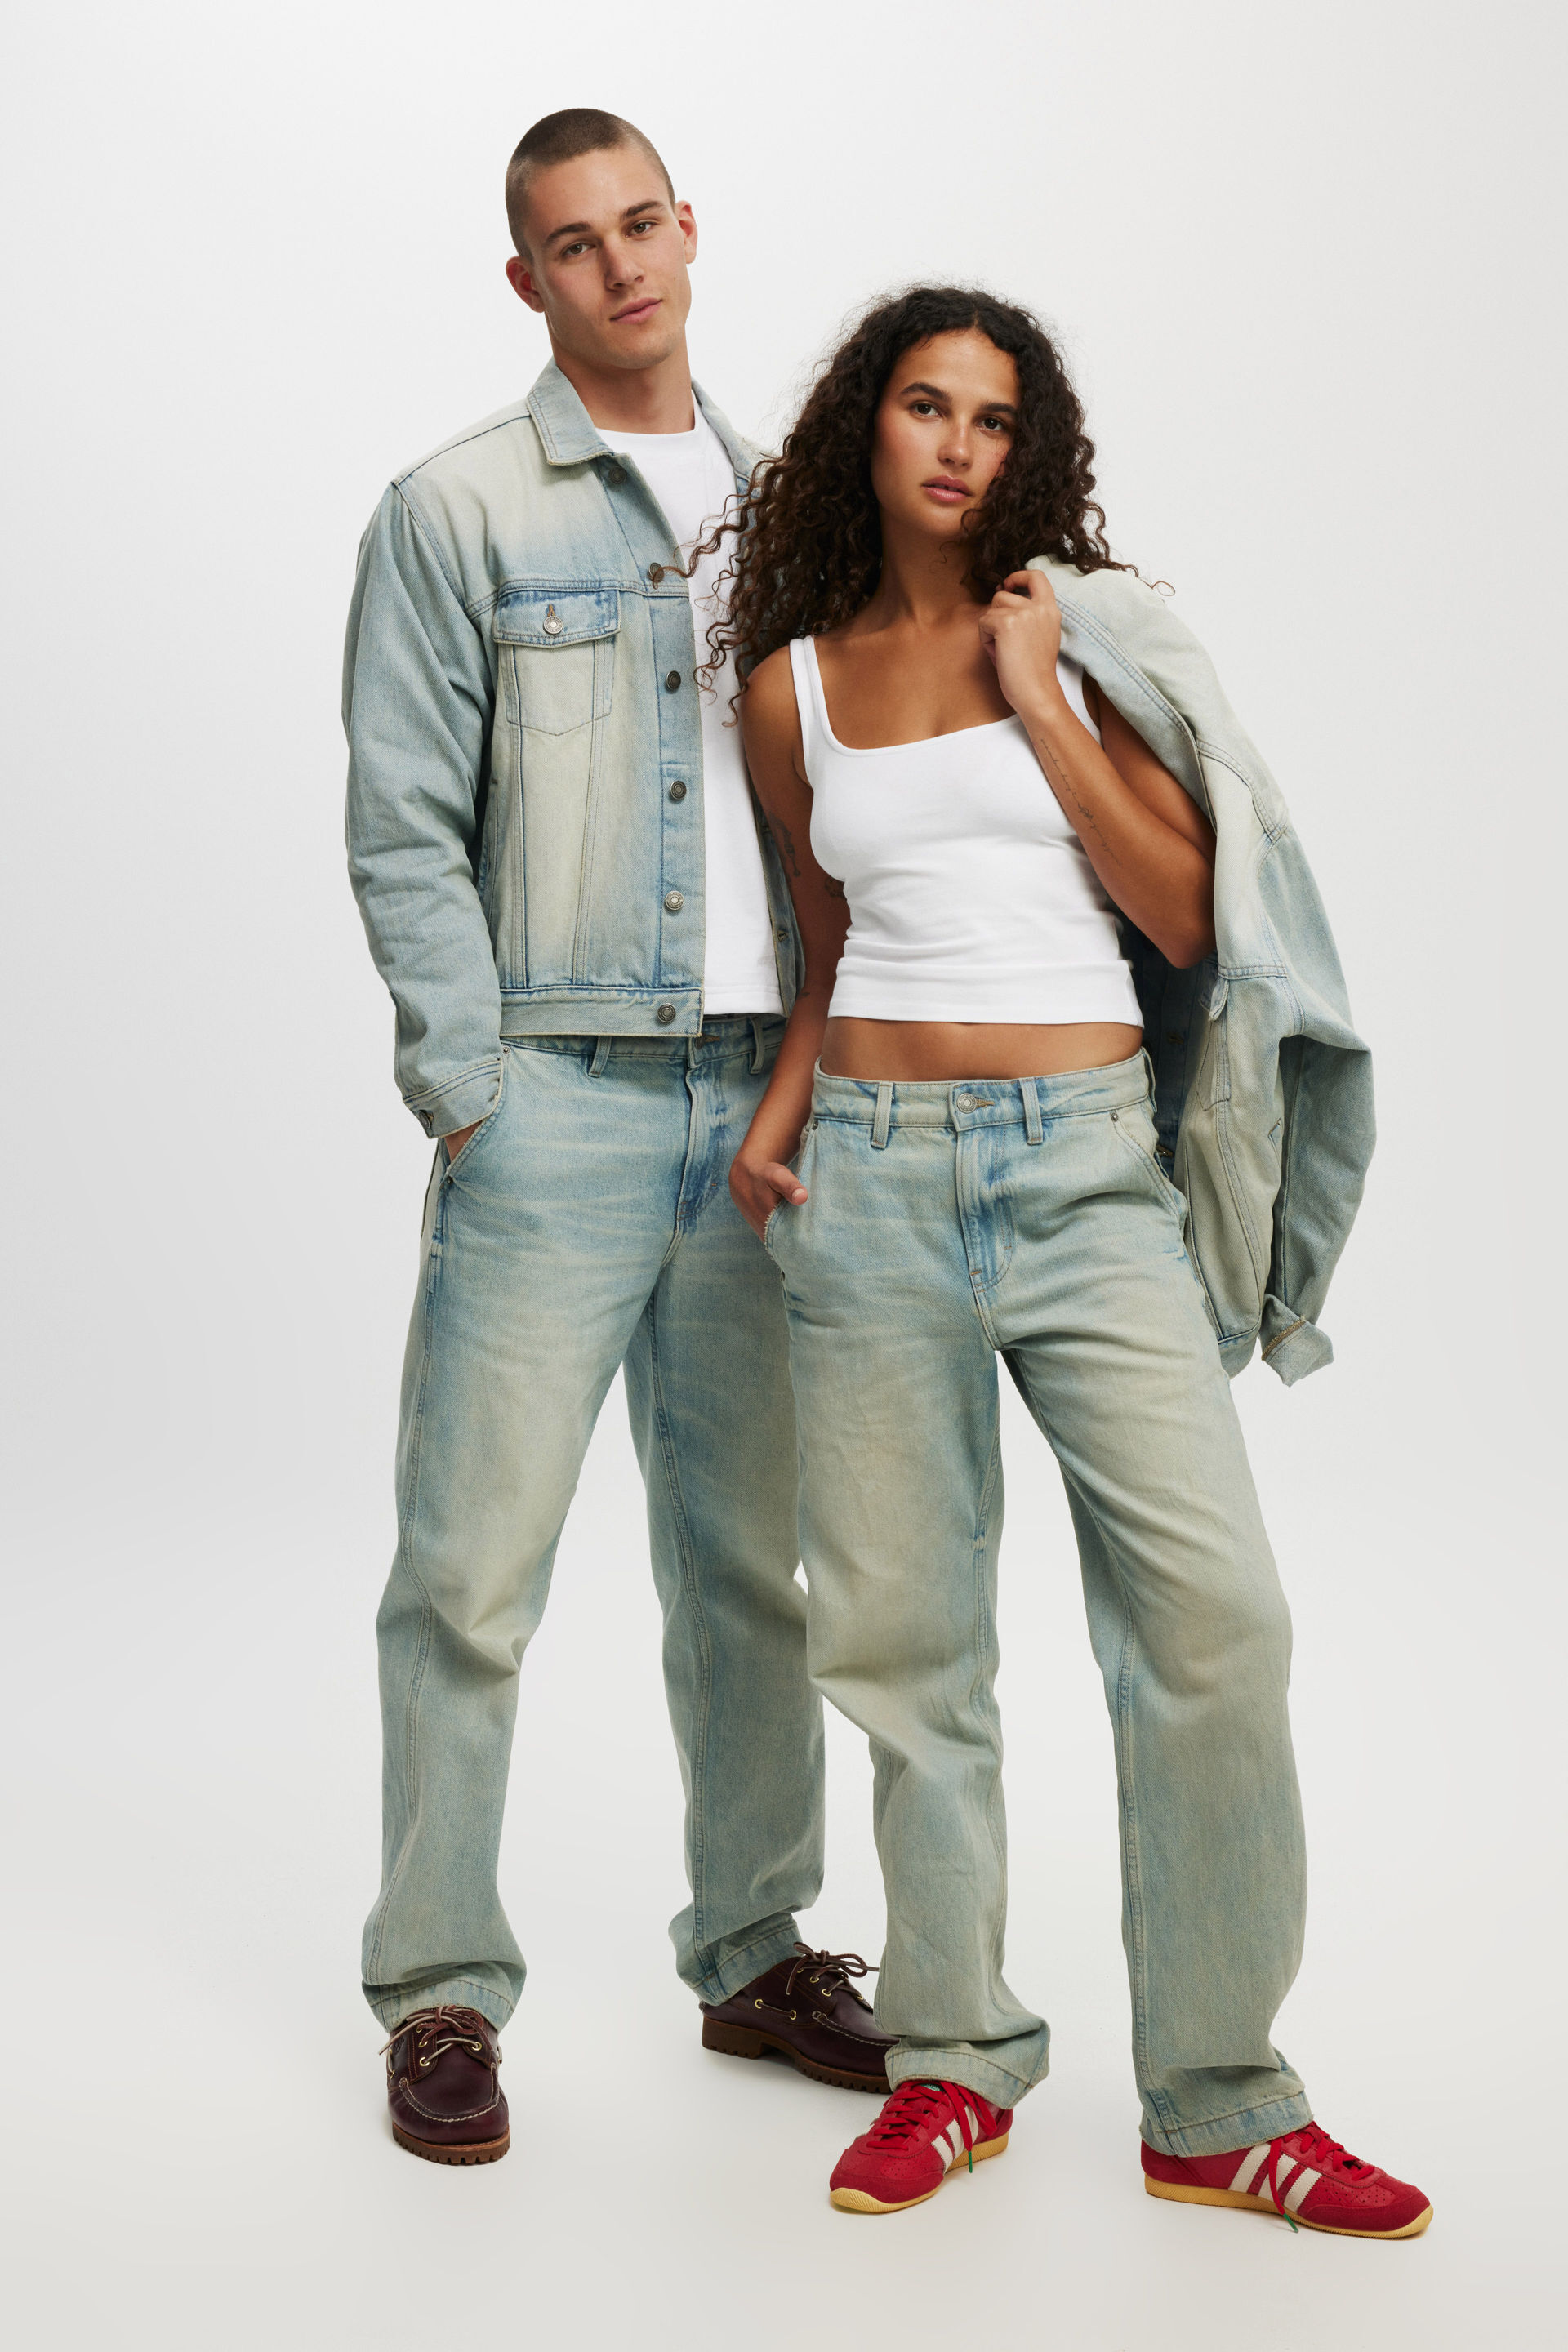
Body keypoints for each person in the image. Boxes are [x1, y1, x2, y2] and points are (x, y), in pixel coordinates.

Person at [716, 285, 1431, 2237]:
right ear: (866, 430)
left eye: (994, 418)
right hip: (868, 1181)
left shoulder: (1083, 639)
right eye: (925, 406)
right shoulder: (790, 689)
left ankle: (1218, 2100)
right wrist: (784, 1113)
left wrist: (1038, 699)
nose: (958, 444)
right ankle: (952, 2058)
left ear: (1029, 454)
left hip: (1088, 1175)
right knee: (903, 1648)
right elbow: (832, 942)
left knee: (1216, 1625)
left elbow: (1192, 913)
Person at [342, 109, 891, 2166]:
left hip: (760, 1105)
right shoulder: (456, 510)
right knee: (469, 1574)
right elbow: (402, 818)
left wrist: (824, 1076)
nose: (620, 265)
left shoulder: (792, 513)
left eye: (643, 224)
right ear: (529, 280)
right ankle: (438, 1985)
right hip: (553, 1100)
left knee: (753, 1569)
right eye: (574, 244)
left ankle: (756, 1950)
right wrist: (470, 1091)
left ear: (689, 229)